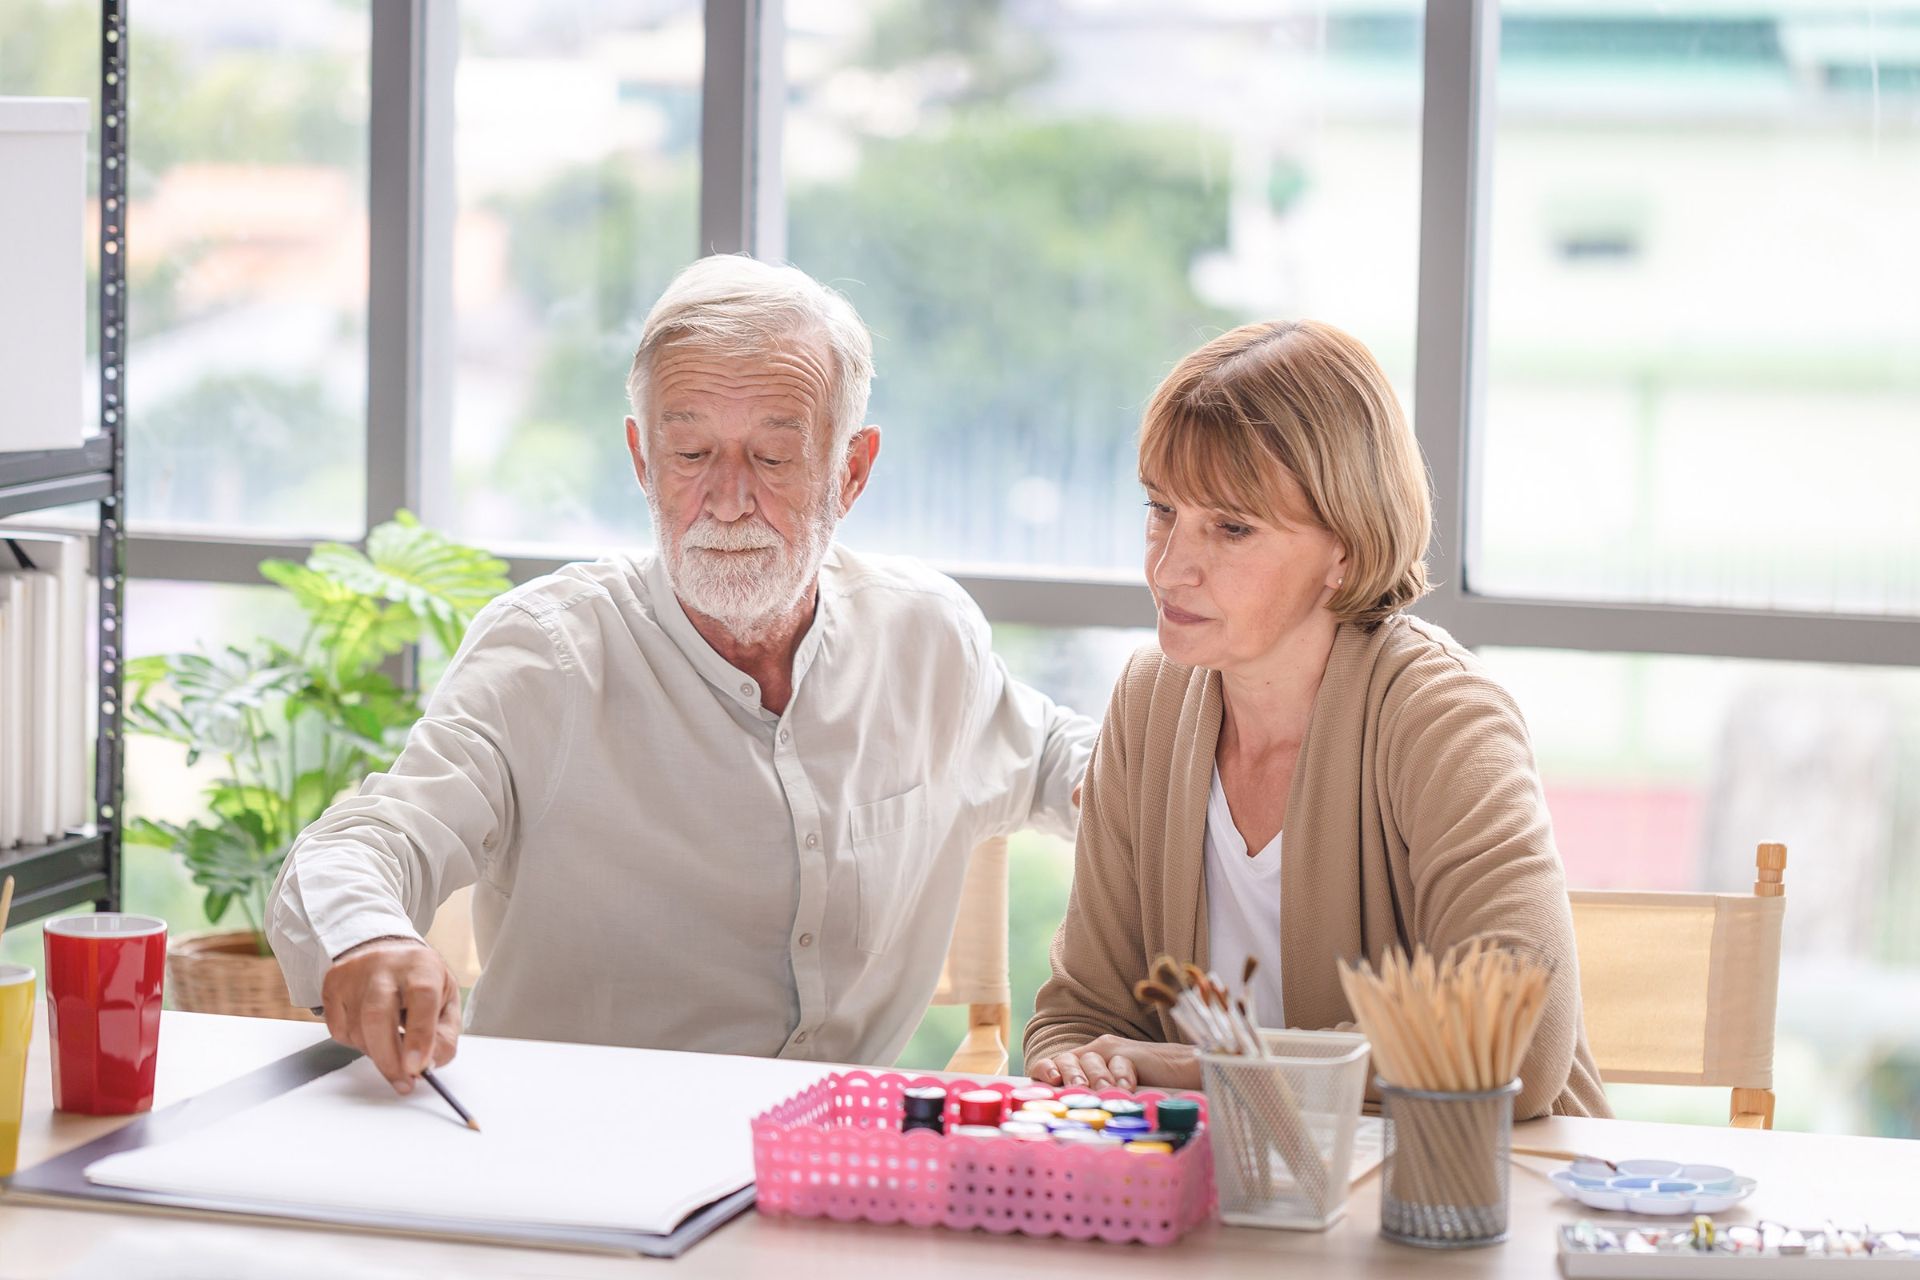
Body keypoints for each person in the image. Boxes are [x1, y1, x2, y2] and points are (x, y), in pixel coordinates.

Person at [268, 255, 1095, 1096]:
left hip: (825, 1165)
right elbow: (367, 841)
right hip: (574, 1152)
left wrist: (1219, 750)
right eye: (691, 451)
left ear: (851, 470)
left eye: (774, 457)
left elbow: (1072, 764)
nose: (728, 499)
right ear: (641, 458)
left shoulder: (925, 640)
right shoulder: (548, 657)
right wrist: (368, 937)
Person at [1022, 319, 1608, 1119]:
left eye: (1231, 527)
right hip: (1229, 1207)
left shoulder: (1445, 718)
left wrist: (1192, 1069)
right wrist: (1082, 1069)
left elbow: (1517, 1040)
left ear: (1346, 549)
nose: (1168, 567)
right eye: (1163, 511)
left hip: (1461, 1210)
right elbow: (1081, 1017)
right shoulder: (1149, 702)